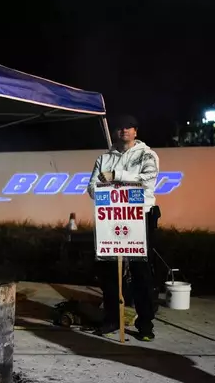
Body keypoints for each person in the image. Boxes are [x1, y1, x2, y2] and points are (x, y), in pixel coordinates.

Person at [87, 114, 160, 341]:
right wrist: (104, 185)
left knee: (141, 271)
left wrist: (116, 176)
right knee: (109, 271)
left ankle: (145, 324)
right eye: (120, 127)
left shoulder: (147, 154)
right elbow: (92, 187)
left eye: (129, 127)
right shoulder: (104, 157)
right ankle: (110, 319)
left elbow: (147, 179)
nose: (124, 131)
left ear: (136, 131)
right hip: (111, 216)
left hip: (141, 215)